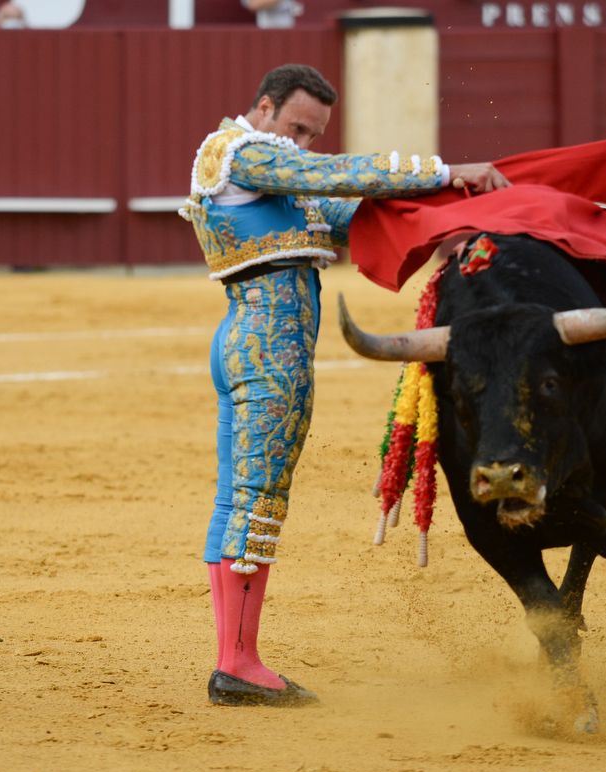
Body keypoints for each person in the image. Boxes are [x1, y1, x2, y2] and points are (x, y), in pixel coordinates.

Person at [179, 63, 508, 707]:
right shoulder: (236, 150)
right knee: (257, 498)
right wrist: (444, 171)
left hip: (256, 341)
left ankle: (233, 659)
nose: (303, 144)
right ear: (266, 107)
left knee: (239, 497)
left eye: (315, 133)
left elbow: (355, 213)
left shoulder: (280, 177)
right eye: (298, 127)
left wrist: (451, 212)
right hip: (268, 347)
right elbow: (331, 174)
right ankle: (238, 665)